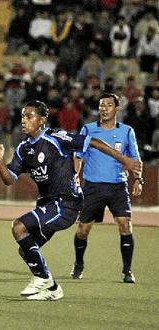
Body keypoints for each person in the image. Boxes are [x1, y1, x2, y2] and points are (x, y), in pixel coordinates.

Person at [0, 100, 141, 301]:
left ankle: (43, 277)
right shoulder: (24, 149)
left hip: (66, 203)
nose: (24, 121)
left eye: (29, 116)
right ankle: (53, 288)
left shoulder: (55, 137)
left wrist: (124, 160)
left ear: (42, 120)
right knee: (25, 250)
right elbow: (9, 180)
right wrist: (0, 161)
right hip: (48, 205)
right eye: (23, 116)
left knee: (18, 227)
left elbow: (92, 142)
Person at [70, 93, 143, 283]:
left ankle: (127, 271)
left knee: (125, 225)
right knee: (83, 230)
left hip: (118, 186)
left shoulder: (127, 131)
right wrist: (75, 176)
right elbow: (78, 155)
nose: (104, 108)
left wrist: (138, 179)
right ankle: (79, 263)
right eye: (101, 105)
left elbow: (135, 158)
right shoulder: (88, 129)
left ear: (117, 109)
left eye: (109, 105)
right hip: (92, 187)